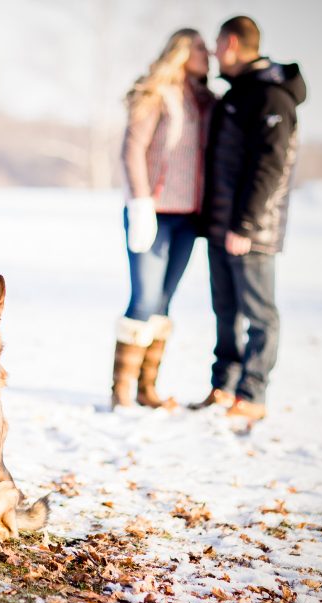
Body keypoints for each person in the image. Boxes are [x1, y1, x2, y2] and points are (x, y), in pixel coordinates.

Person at [191, 16, 307, 422]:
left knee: (259, 314)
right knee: (225, 310)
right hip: (223, 227)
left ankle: (253, 394)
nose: (214, 53)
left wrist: (244, 225)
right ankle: (224, 386)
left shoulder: (271, 97)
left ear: (234, 43)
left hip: (250, 231)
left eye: (218, 45)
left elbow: (270, 168)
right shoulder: (238, 93)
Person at [112, 28, 214, 409]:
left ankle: (146, 389)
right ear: (181, 52)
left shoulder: (203, 101)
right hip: (151, 214)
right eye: (201, 48)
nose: (209, 54)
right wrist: (140, 203)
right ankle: (121, 392)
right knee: (144, 299)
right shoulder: (154, 94)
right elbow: (132, 150)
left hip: (188, 217)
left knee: (164, 302)